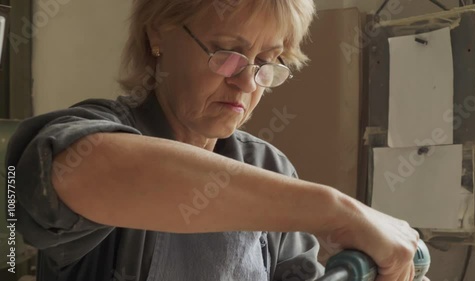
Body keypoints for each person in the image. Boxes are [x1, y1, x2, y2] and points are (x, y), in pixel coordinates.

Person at [7, 0, 427, 280]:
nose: (247, 82)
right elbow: (78, 172)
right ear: (158, 34)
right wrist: (334, 210)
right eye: (227, 53)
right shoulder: (97, 131)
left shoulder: (269, 167)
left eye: (267, 62)